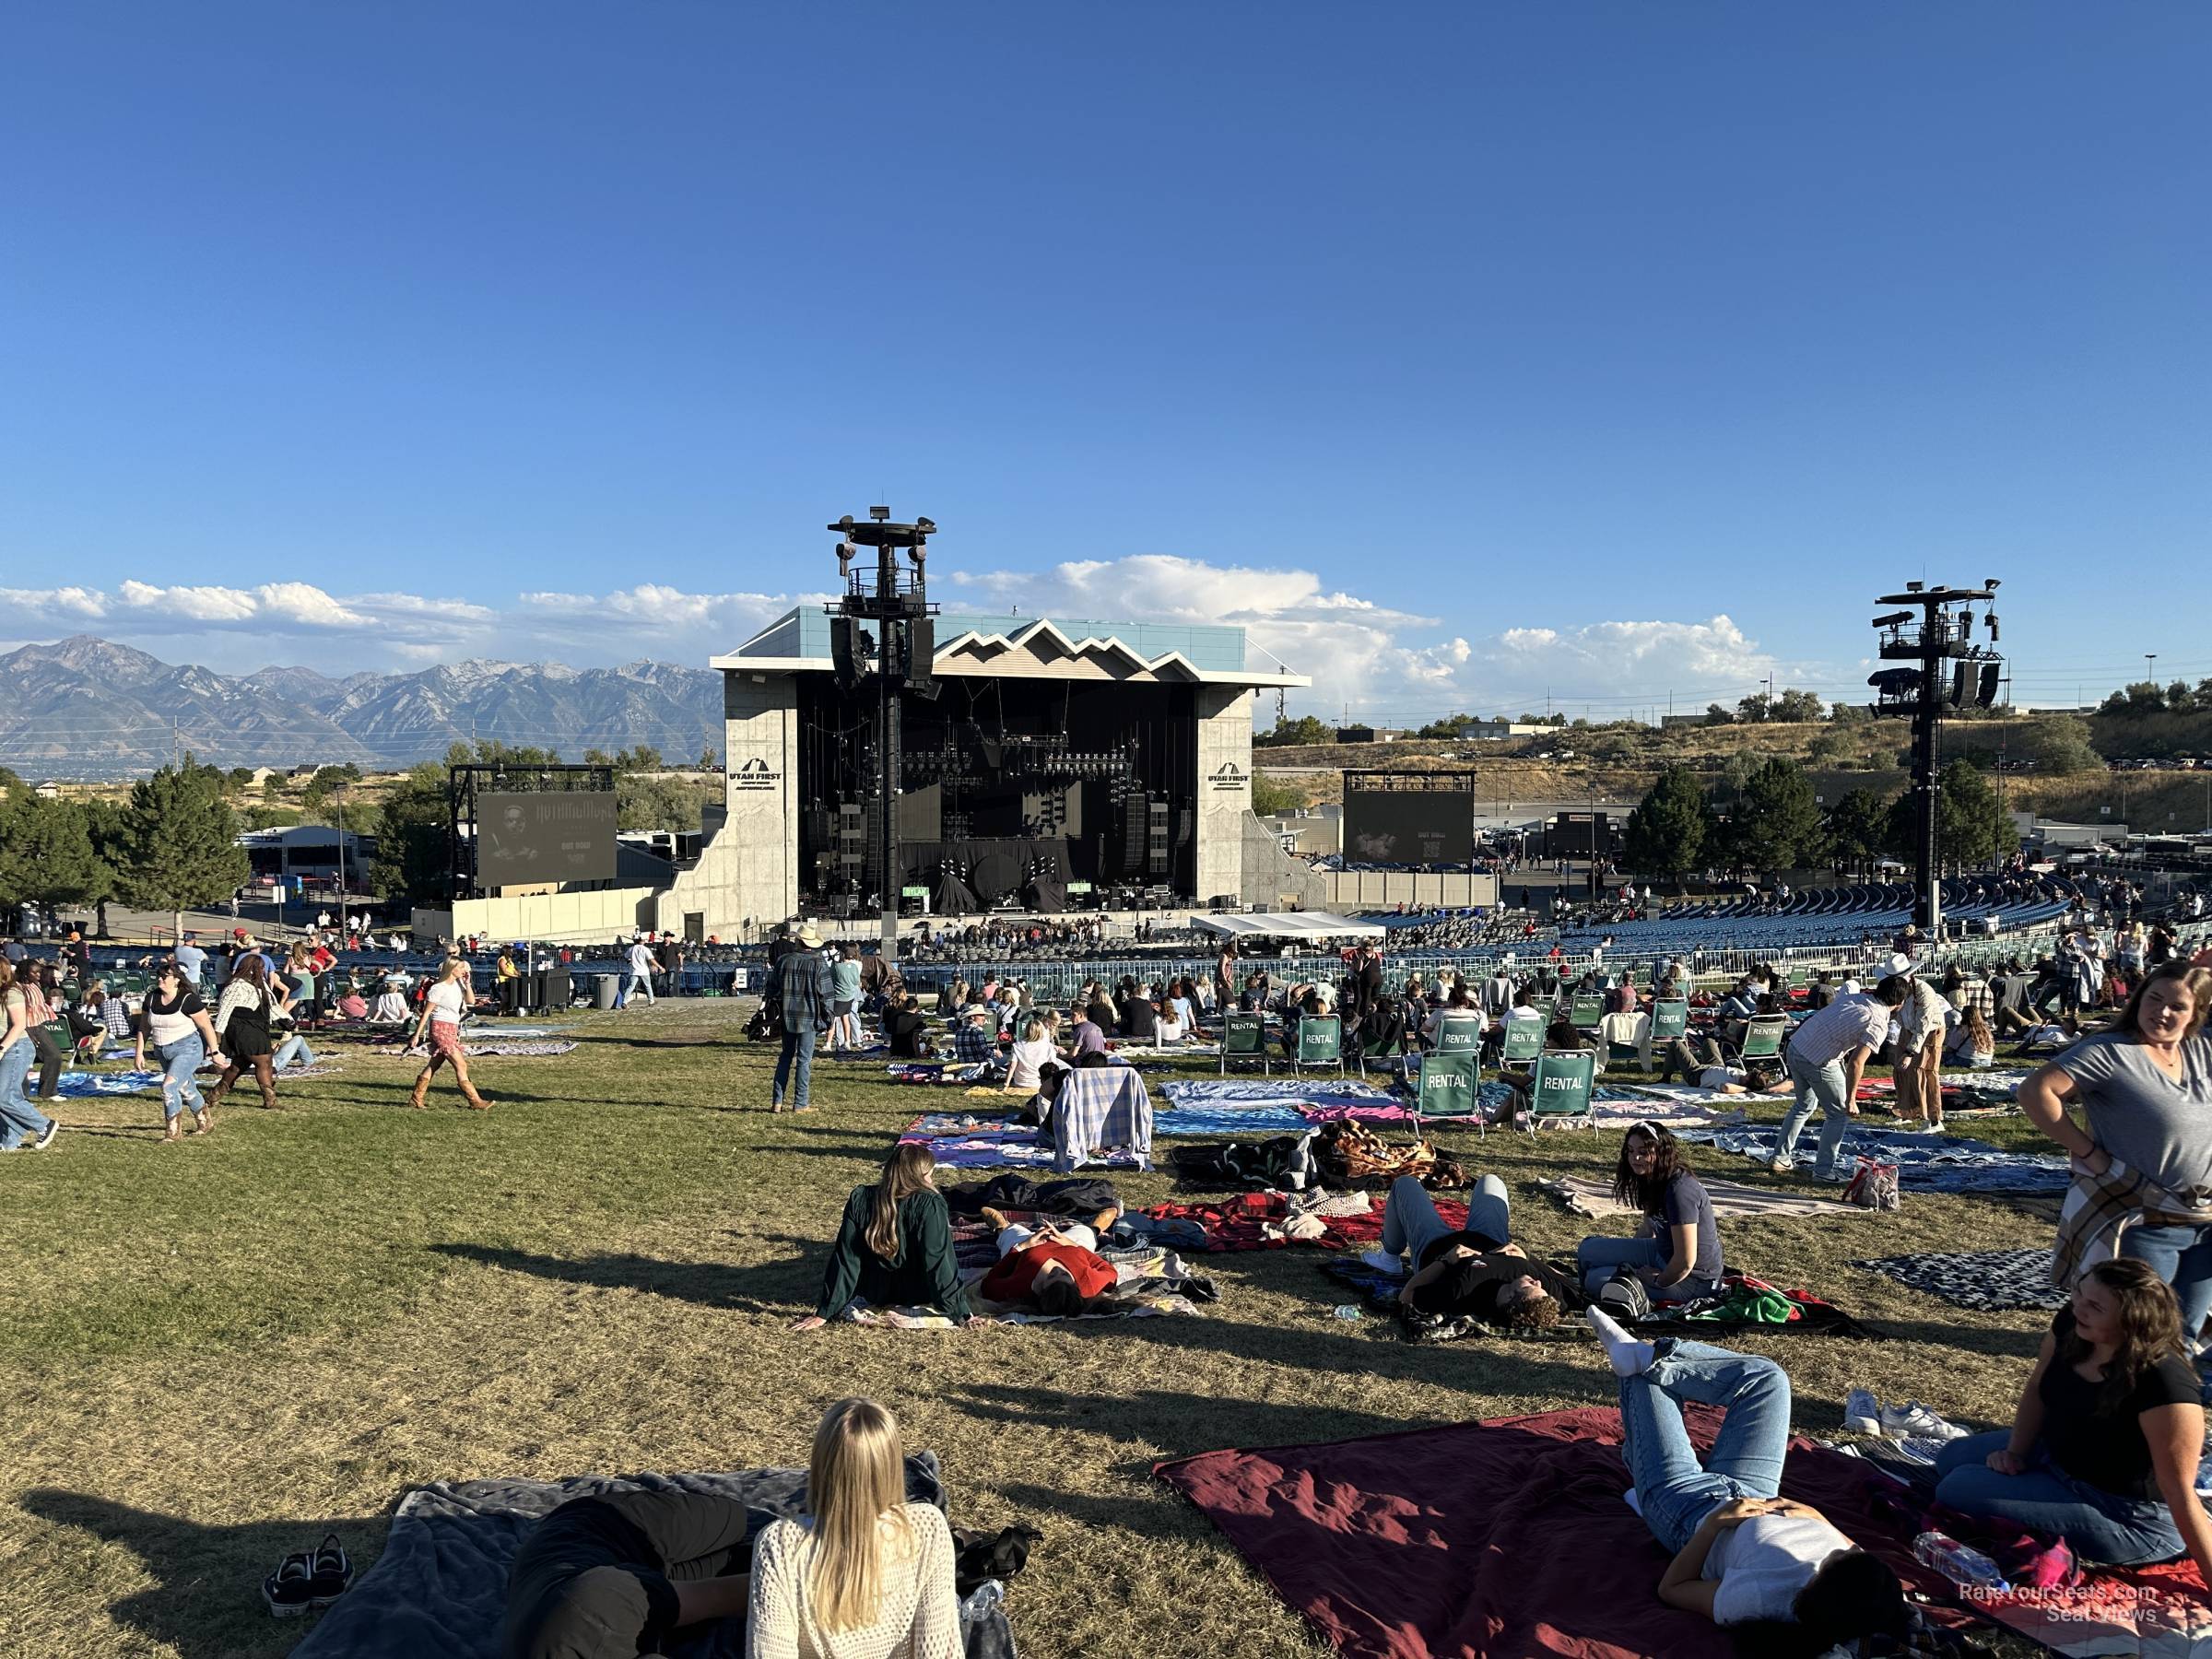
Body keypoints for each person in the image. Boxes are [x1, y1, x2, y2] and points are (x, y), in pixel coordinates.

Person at [1585, 1312, 1909, 1650]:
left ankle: (1646, 1481)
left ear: (1821, 1585)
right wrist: (1819, 1518)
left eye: (1844, 1556)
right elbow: (1860, 1559)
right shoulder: (1868, 1592)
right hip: (1756, 1490)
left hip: (1687, 1509)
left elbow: (1673, 1589)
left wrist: (1713, 1526)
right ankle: (1652, 1358)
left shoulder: (1759, 1600)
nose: (1848, 1548)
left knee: (1643, 1380)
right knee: (1769, 1380)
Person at [1933, 1259, 2212, 1578]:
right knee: (1950, 1457)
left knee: (1956, 1487)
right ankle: (2039, 1488)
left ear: (2131, 1321)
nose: (2079, 1307)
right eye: (2079, 1292)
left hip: (2124, 1514)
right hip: (2058, 1458)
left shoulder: (2164, 1383)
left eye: (2095, 1305)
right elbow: (2039, 1384)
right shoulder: (2074, 1323)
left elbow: (2179, 1490)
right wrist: (2016, 1452)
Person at [2021, 963, 2212, 1343]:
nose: (2161, 1011)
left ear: (2195, 1014)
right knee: (2139, 1335)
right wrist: (2088, 1152)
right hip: (2143, 1217)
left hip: (2205, 1221)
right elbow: (2035, 1092)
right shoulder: (2110, 1052)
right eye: (2154, 998)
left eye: (2177, 1006)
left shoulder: (2202, 1049)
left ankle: (2167, 1398)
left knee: (2185, 1334)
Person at [745, 1397, 960, 1659]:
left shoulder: (780, 1544)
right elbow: (937, 1651)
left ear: (821, 1465)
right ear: (892, 1466)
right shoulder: (929, 1528)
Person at [504, 1488, 756, 1659]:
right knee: (746, 1561)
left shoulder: (593, 1612)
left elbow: (745, 1593)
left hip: (601, 1525)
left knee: (736, 1520)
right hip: (628, 1584)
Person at [796, 1145, 976, 1329]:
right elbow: (938, 1260)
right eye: (930, 1174)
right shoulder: (930, 1204)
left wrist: (826, 1310)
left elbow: (846, 1258)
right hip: (920, 1292)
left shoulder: (861, 1198)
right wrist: (961, 1313)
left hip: (874, 1292)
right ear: (921, 1175)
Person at [1370, 1172, 1570, 1330]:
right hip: (1491, 1237)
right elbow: (1571, 1287)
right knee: (1491, 1181)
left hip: (1435, 1245)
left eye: (1530, 1285)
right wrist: (1529, 1258)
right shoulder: (1544, 1297)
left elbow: (1407, 1295)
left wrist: (1445, 1261)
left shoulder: (1462, 1290)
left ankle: (1388, 1257)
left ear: (1509, 1297)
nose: (1538, 1281)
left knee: (1405, 1184)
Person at [1774, 975, 1911, 1181]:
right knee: (1838, 1114)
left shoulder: (1857, 998)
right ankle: (1823, 1171)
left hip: (1797, 1045)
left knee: (1803, 1105)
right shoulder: (1878, 1021)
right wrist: (1851, 1098)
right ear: (1900, 1002)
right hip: (1818, 1058)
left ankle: (1780, 1157)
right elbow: (1856, 1062)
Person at [1577, 1124, 1724, 1305]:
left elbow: (1685, 1261)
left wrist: (1658, 1280)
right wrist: (1626, 1261)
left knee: (1594, 1280)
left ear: (1662, 1152)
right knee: (1587, 1250)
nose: (1635, 1158)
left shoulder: (1679, 1191)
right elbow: (1648, 1228)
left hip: (1693, 1281)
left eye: (1644, 1152)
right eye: (1630, 1151)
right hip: (1660, 1252)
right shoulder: (1651, 1177)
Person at [137, 959, 220, 1141]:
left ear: (176, 979)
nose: (160, 979)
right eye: (158, 976)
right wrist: (139, 1052)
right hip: (162, 1050)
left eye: (164, 976)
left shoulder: (188, 999)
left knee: (168, 1087)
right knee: (185, 1087)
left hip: (188, 1049)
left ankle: (173, 1133)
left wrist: (215, 1052)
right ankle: (205, 1122)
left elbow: (207, 1027)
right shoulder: (151, 998)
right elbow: (144, 1027)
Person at [976, 1218, 1116, 1316]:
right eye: (1065, 1275)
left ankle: (1001, 1227)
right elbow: (1111, 1273)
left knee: (1012, 1231)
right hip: (1069, 1243)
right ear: (1076, 1287)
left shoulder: (1020, 1288)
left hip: (1025, 1247)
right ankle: (1095, 1227)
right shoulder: (1088, 1284)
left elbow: (988, 1285)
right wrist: (1072, 1244)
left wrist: (1021, 1248)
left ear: (1041, 1290)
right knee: (1085, 1231)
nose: (1058, 1271)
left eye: (1051, 1276)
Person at [409, 958, 490, 1110]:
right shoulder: (438, 988)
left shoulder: (458, 985)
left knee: (434, 1064)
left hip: (452, 1028)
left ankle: (416, 1098)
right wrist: (416, 1035)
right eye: (460, 968)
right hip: (440, 1028)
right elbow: (426, 1013)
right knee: (461, 1064)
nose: (464, 970)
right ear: (451, 969)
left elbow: (471, 1000)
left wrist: (467, 983)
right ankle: (475, 1101)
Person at [771, 925, 834, 1114]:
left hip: (786, 1015)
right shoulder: (818, 963)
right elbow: (827, 996)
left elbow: (771, 989)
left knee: (785, 1057)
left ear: (798, 941)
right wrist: (828, 1019)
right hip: (809, 1017)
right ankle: (800, 1103)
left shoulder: (783, 961)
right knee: (804, 1061)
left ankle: (777, 1101)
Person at [208, 952, 279, 1112]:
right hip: (241, 1028)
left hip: (258, 1027)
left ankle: (214, 1095)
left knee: (239, 1065)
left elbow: (272, 1005)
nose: (262, 971)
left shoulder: (261, 984)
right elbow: (224, 1010)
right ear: (251, 968)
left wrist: (286, 1020)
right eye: (260, 968)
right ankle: (270, 1099)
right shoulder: (235, 985)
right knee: (263, 1061)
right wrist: (217, 1036)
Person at [0, 962, 59, 1152]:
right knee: (10, 1096)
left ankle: (44, 1125)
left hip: (16, 1048)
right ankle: (9, 1141)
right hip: (7, 1047)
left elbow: (19, 1025)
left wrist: (1, 1049)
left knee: (3, 1097)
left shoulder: (12, 993)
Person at [1894, 970, 1949, 1131]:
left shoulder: (1924, 992)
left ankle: (1934, 1119)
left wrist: (1910, 1052)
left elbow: (1923, 1026)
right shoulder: (1898, 991)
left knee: (1924, 1072)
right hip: (1908, 1029)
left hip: (1930, 1031)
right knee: (1901, 1069)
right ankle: (1907, 1112)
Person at [829, 944, 863, 1053]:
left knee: (834, 1021)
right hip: (852, 995)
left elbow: (832, 979)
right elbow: (857, 981)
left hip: (839, 996)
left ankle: (834, 1042)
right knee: (849, 1018)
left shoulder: (837, 966)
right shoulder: (856, 965)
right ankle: (851, 1041)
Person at [623, 934, 657, 1007]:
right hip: (644, 970)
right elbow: (651, 959)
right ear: (642, 941)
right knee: (648, 986)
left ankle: (624, 1001)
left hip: (634, 970)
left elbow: (625, 956)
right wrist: (659, 966)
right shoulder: (645, 949)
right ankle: (651, 1001)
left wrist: (629, 960)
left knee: (631, 986)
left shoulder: (631, 949)